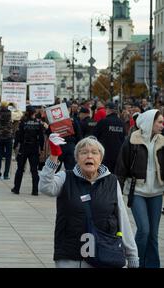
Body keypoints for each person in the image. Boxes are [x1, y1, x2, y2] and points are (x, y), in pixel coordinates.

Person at [39, 135, 139, 268]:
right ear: (77, 158)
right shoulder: (65, 177)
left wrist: (132, 254)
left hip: (104, 253)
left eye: (94, 152)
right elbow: (45, 187)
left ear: (100, 158)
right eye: (84, 152)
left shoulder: (111, 181)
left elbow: (123, 218)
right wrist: (54, 156)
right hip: (70, 255)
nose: (89, 156)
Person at [115, 110, 164, 268]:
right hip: (137, 192)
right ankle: (135, 262)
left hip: (157, 193)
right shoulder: (132, 140)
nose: (162, 125)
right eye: (160, 122)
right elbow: (121, 168)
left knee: (153, 235)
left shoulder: (162, 141)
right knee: (144, 230)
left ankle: (153, 265)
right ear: (150, 122)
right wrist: (116, 193)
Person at [13, 105, 44, 195]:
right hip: (34, 147)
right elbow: (41, 137)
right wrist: (41, 148)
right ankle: (35, 190)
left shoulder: (23, 122)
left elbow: (18, 135)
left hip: (24, 147)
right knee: (34, 170)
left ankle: (16, 188)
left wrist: (15, 146)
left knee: (20, 169)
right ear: (34, 113)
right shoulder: (38, 123)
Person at [0, 101, 15, 180]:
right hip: (8, 137)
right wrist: (15, 106)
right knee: (8, 157)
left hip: (0, 136)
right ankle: (6, 174)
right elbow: (20, 115)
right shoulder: (11, 113)